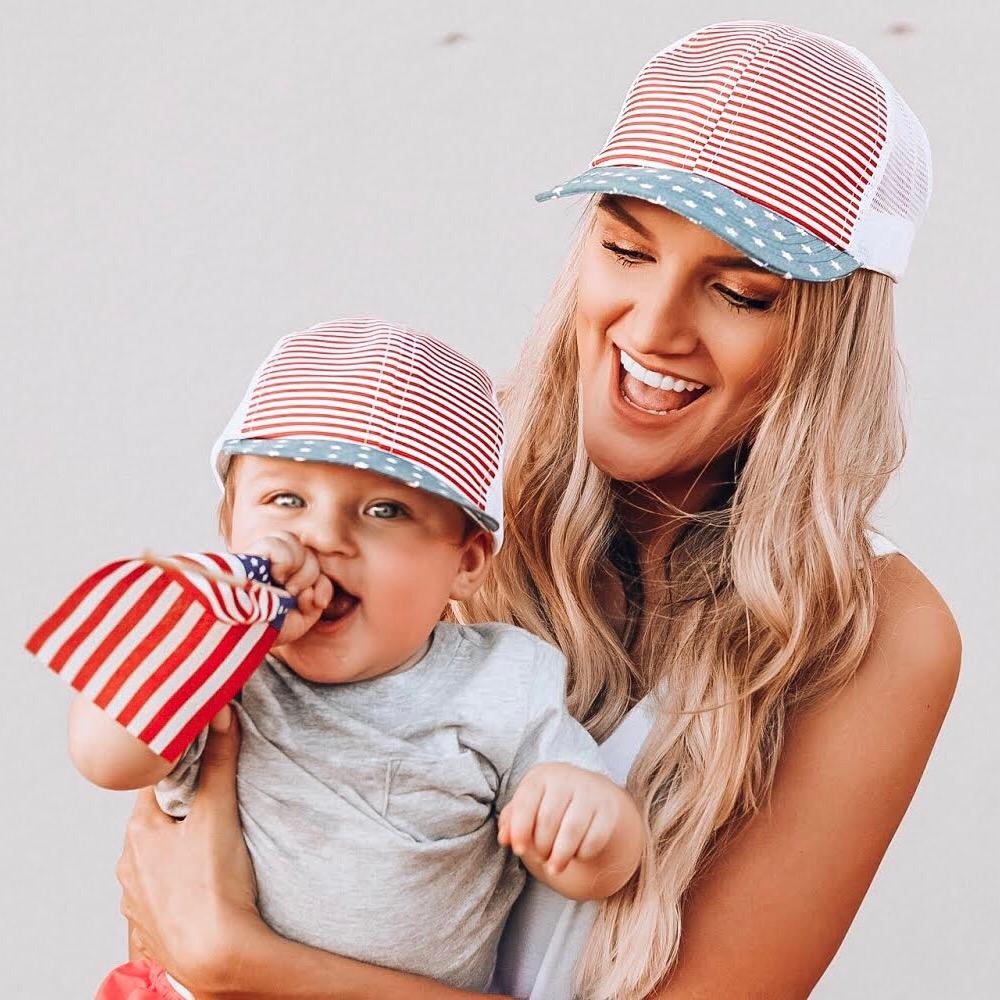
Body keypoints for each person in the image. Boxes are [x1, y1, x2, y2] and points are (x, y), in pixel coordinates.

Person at [115, 20, 961, 1000]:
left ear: (831, 335)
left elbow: (209, 939)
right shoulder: (423, 490)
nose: (654, 328)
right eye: (626, 248)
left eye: (738, 292)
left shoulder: (876, 631)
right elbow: (179, 850)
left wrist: (245, 963)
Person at [67, 319, 643, 999]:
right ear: (229, 528)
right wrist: (203, 624)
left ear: (465, 563)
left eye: (384, 510)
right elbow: (105, 758)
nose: (323, 536)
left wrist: (589, 822)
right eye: (286, 499)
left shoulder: (501, 681)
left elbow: (598, 874)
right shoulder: (222, 665)